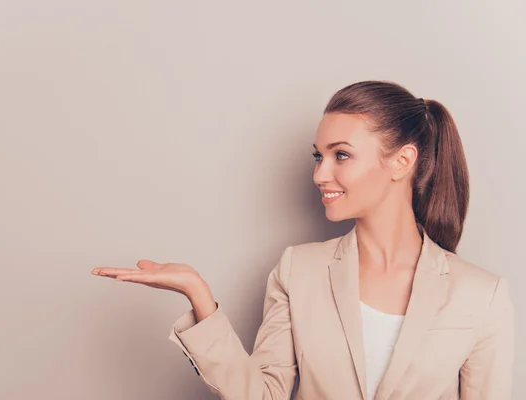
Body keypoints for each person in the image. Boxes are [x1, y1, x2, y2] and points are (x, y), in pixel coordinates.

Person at [91, 80, 515, 400]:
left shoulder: (482, 295)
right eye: (319, 155)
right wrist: (199, 297)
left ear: (402, 161)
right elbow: (264, 394)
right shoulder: (299, 269)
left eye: (341, 155)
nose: (320, 174)